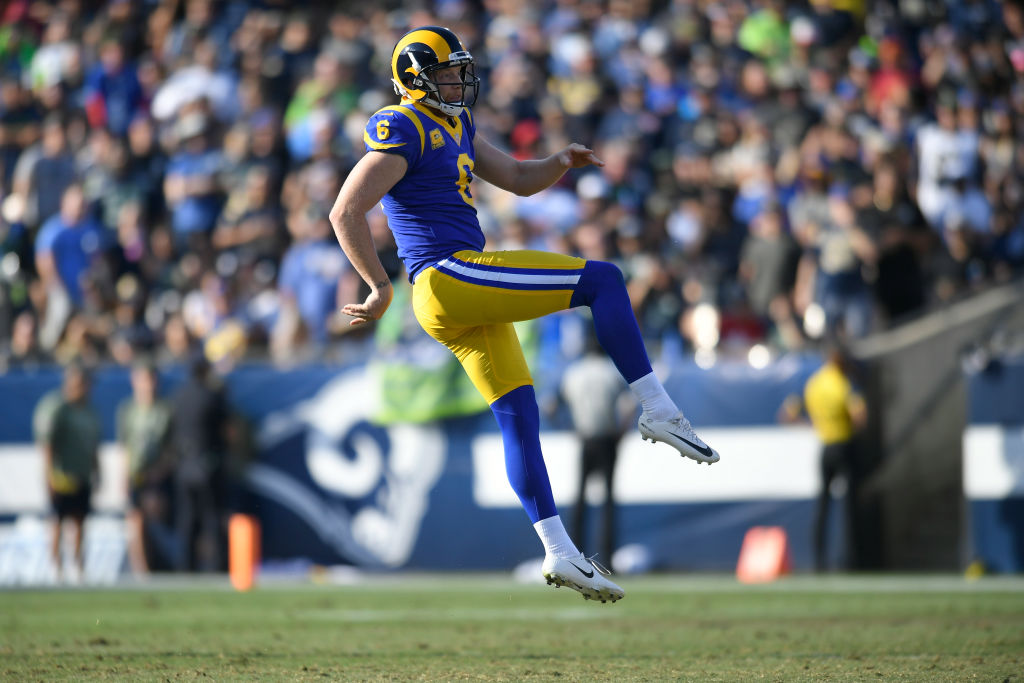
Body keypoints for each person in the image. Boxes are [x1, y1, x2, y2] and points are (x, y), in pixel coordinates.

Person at [329, 26, 720, 604]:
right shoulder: (403, 124)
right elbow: (346, 210)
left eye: (460, 69)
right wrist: (377, 287)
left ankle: (559, 551)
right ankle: (657, 408)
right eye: (447, 71)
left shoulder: (455, 123)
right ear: (415, 77)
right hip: (447, 274)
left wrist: (559, 161)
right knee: (605, 280)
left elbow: (514, 178)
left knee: (520, 415)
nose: (460, 80)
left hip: (453, 291)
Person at [780, 344, 867, 571]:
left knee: (823, 506)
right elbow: (860, 417)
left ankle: (819, 561)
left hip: (825, 447)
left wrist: (813, 425)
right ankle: (852, 561)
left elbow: (786, 415)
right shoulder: (844, 383)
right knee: (850, 505)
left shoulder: (814, 383)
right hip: (845, 444)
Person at [561, 328, 631, 565]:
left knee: (580, 500)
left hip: (585, 438)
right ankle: (607, 560)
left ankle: (574, 558)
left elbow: (552, 405)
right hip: (608, 439)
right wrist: (621, 431)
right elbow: (629, 404)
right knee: (608, 502)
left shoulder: (574, 372)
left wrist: (570, 428)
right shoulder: (611, 372)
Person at [39, 363, 102, 583]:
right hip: (61, 475)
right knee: (57, 519)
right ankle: (56, 568)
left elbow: (94, 446)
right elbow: (47, 444)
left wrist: (97, 472)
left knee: (80, 521)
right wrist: (49, 474)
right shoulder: (57, 407)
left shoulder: (89, 411)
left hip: (81, 473)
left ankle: (78, 567)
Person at [116, 358, 173, 575]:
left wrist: (160, 470)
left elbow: (171, 448)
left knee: (157, 518)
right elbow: (125, 447)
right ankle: (141, 569)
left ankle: (159, 564)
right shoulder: (128, 410)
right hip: (136, 474)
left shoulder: (164, 410)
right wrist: (124, 476)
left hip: (158, 475)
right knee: (135, 520)